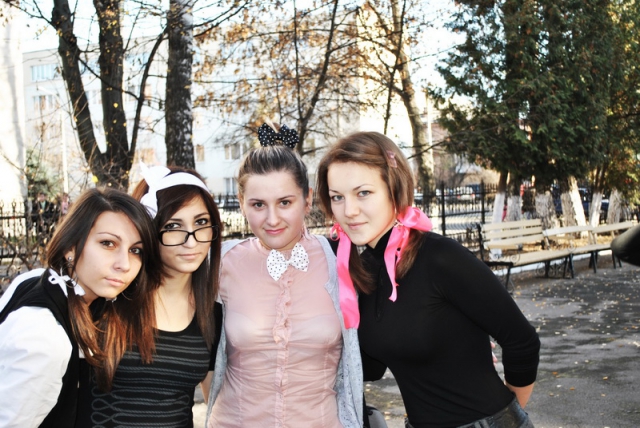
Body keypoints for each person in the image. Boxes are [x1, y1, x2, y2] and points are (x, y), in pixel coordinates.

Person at [316, 131, 540, 428]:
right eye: (337, 197)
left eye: (363, 193)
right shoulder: (363, 271)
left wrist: (507, 418)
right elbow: (371, 367)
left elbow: (522, 341)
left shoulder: (439, 257)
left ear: (394, 189)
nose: (349, 211)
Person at [205, 122, 363, 427]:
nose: (272, 219)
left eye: (285, 202)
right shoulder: (221, 263)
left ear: (307, 199)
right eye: (258, 205)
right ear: (242, 203)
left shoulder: (341, 259)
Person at [0, 187, 160, 428]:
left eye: (135, 250)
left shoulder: (36, 280)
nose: (125, 264)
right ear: (70, 248)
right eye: (108, 243)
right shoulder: (45, 338)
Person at [76, 166, 222, 427]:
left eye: (201, 223)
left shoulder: (212, 316)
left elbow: (219, 409)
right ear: (149, 230)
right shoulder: (107, 300)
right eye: (173, 226)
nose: (191, 242)